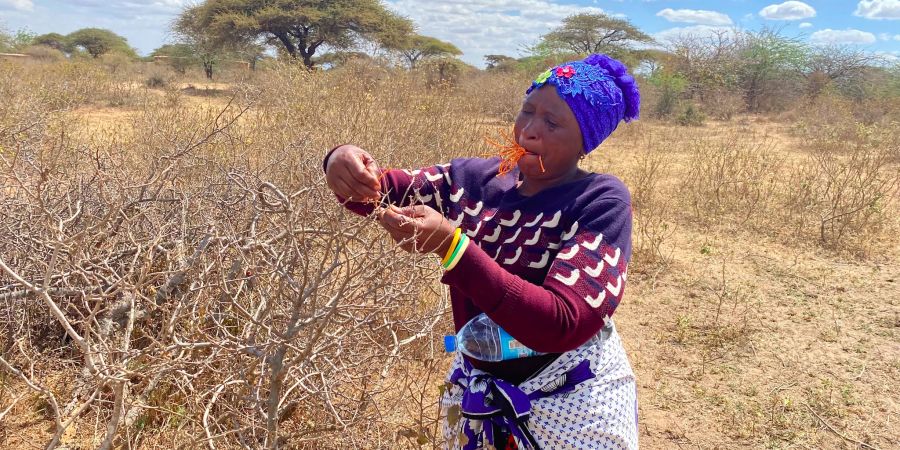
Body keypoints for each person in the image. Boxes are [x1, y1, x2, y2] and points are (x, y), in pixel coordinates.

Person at [324, 54, 640, 450]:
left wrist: (453, 247)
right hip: (479, 382)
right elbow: (376, 191)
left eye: (552, 122)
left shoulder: (600, 200)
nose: (529, 130)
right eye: (527, 111)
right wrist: (341, 161)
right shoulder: (473, 179)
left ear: (585, 141)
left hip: (572, 396)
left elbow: (563, 322)